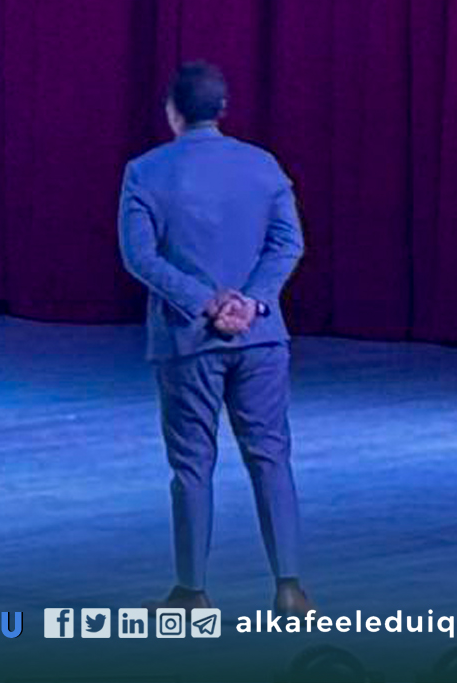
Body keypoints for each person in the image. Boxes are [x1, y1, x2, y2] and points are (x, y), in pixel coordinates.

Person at [120, 61, 312, 616]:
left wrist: (207, 303)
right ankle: (290, 587)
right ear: (222, 109)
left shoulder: (145, 171)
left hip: (188, 339)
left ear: (172, 112)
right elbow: (288, 244)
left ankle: (192, 591)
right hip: (260, 335)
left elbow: (140, 256)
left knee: (191, 465)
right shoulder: (263, 165)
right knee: (270, 457)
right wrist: (250, 302)